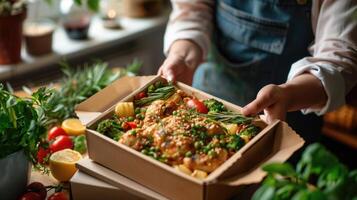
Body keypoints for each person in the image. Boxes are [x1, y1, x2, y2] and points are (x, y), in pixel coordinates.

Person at [158, 0, 357, 143]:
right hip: (206, 92)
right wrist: (182, 56)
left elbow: (340, 55)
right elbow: (193, 8)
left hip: (290, 110)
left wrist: (288, 94)